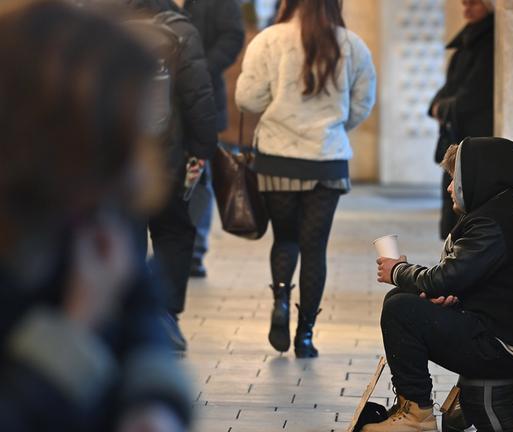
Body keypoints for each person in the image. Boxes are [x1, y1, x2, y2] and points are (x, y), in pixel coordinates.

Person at [0, 1, 193, 431]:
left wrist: (155, 408)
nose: (132, 165)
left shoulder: (92, 218)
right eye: (114, 137)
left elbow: (141, 324)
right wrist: (77, 322)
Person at [367, 137, 513, 431]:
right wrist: (451, 295)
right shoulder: (503, 213)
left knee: (400, 309)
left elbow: (444, 278)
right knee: (399, 299)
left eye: (456, 179)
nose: (449, 188)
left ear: (480, 179)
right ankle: (410, 406)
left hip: (507, 350)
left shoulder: (492, 224)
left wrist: (398, 270)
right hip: (507, 337)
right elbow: (467, 279)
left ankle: (417, 416)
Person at [236, 0, 376, 358]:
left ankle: (281, 300)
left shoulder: (269, 40)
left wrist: (279, 103)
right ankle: (306, 336)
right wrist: (333, 125)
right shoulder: (352, 45)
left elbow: (247, 99)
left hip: (277, 158)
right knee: (315, 249)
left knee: (285, 239)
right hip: (326, 161)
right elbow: (363, 102)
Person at [110, 0, 219, 352]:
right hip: (170, 158)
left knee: (125, 233)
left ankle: (126, 317)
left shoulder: (103, 26)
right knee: (174, 231)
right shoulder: (181, 31)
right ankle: (166, 317)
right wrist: (202, 150)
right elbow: (198, 97)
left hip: (117, 160)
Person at [179, 0, 245, 279]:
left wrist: (201, 67)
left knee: (199, 174)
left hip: (203, 95)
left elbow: (233, 35)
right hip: (157, 99)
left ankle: (193, 251)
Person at [429, 0, 495, 239]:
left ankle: (460, 249)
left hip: (474, 135)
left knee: (465, 199)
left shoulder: (488, 42)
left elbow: (474, 92)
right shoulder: (469, 39)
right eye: (465, 3)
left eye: (474, 3)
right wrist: (437, 106)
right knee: (453, 196)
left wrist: (442, 108)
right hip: (458, 135)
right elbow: (451, 86)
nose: (467, 9)